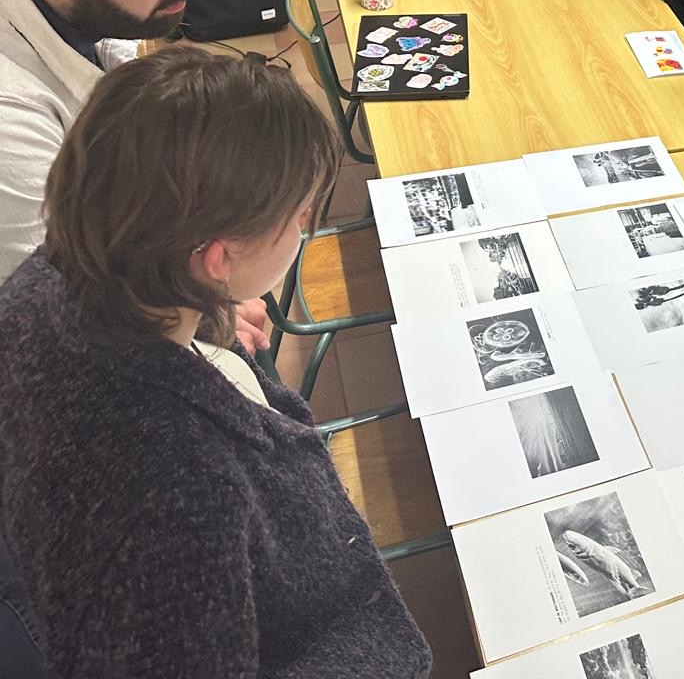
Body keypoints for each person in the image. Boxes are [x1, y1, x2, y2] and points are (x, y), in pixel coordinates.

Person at [0, 47, 432, 676]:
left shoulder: (54, 273)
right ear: (217, 257)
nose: (306, 225)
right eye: (301, 215)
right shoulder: (180, 494)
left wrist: (205, 307)